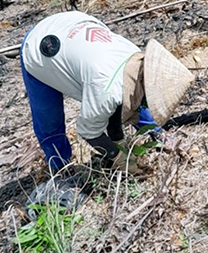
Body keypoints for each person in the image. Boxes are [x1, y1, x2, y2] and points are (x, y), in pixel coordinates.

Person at [21, 11, 194, 174]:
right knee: (50, 121)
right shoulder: (106, 90)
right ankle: (61, 168)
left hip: (75, 25)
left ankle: (157, 133)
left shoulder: (134, 56)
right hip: (39, 47)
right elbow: (88, 131)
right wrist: (116, 155)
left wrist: (120, 141)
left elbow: (121, 103)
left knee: (135, 99)